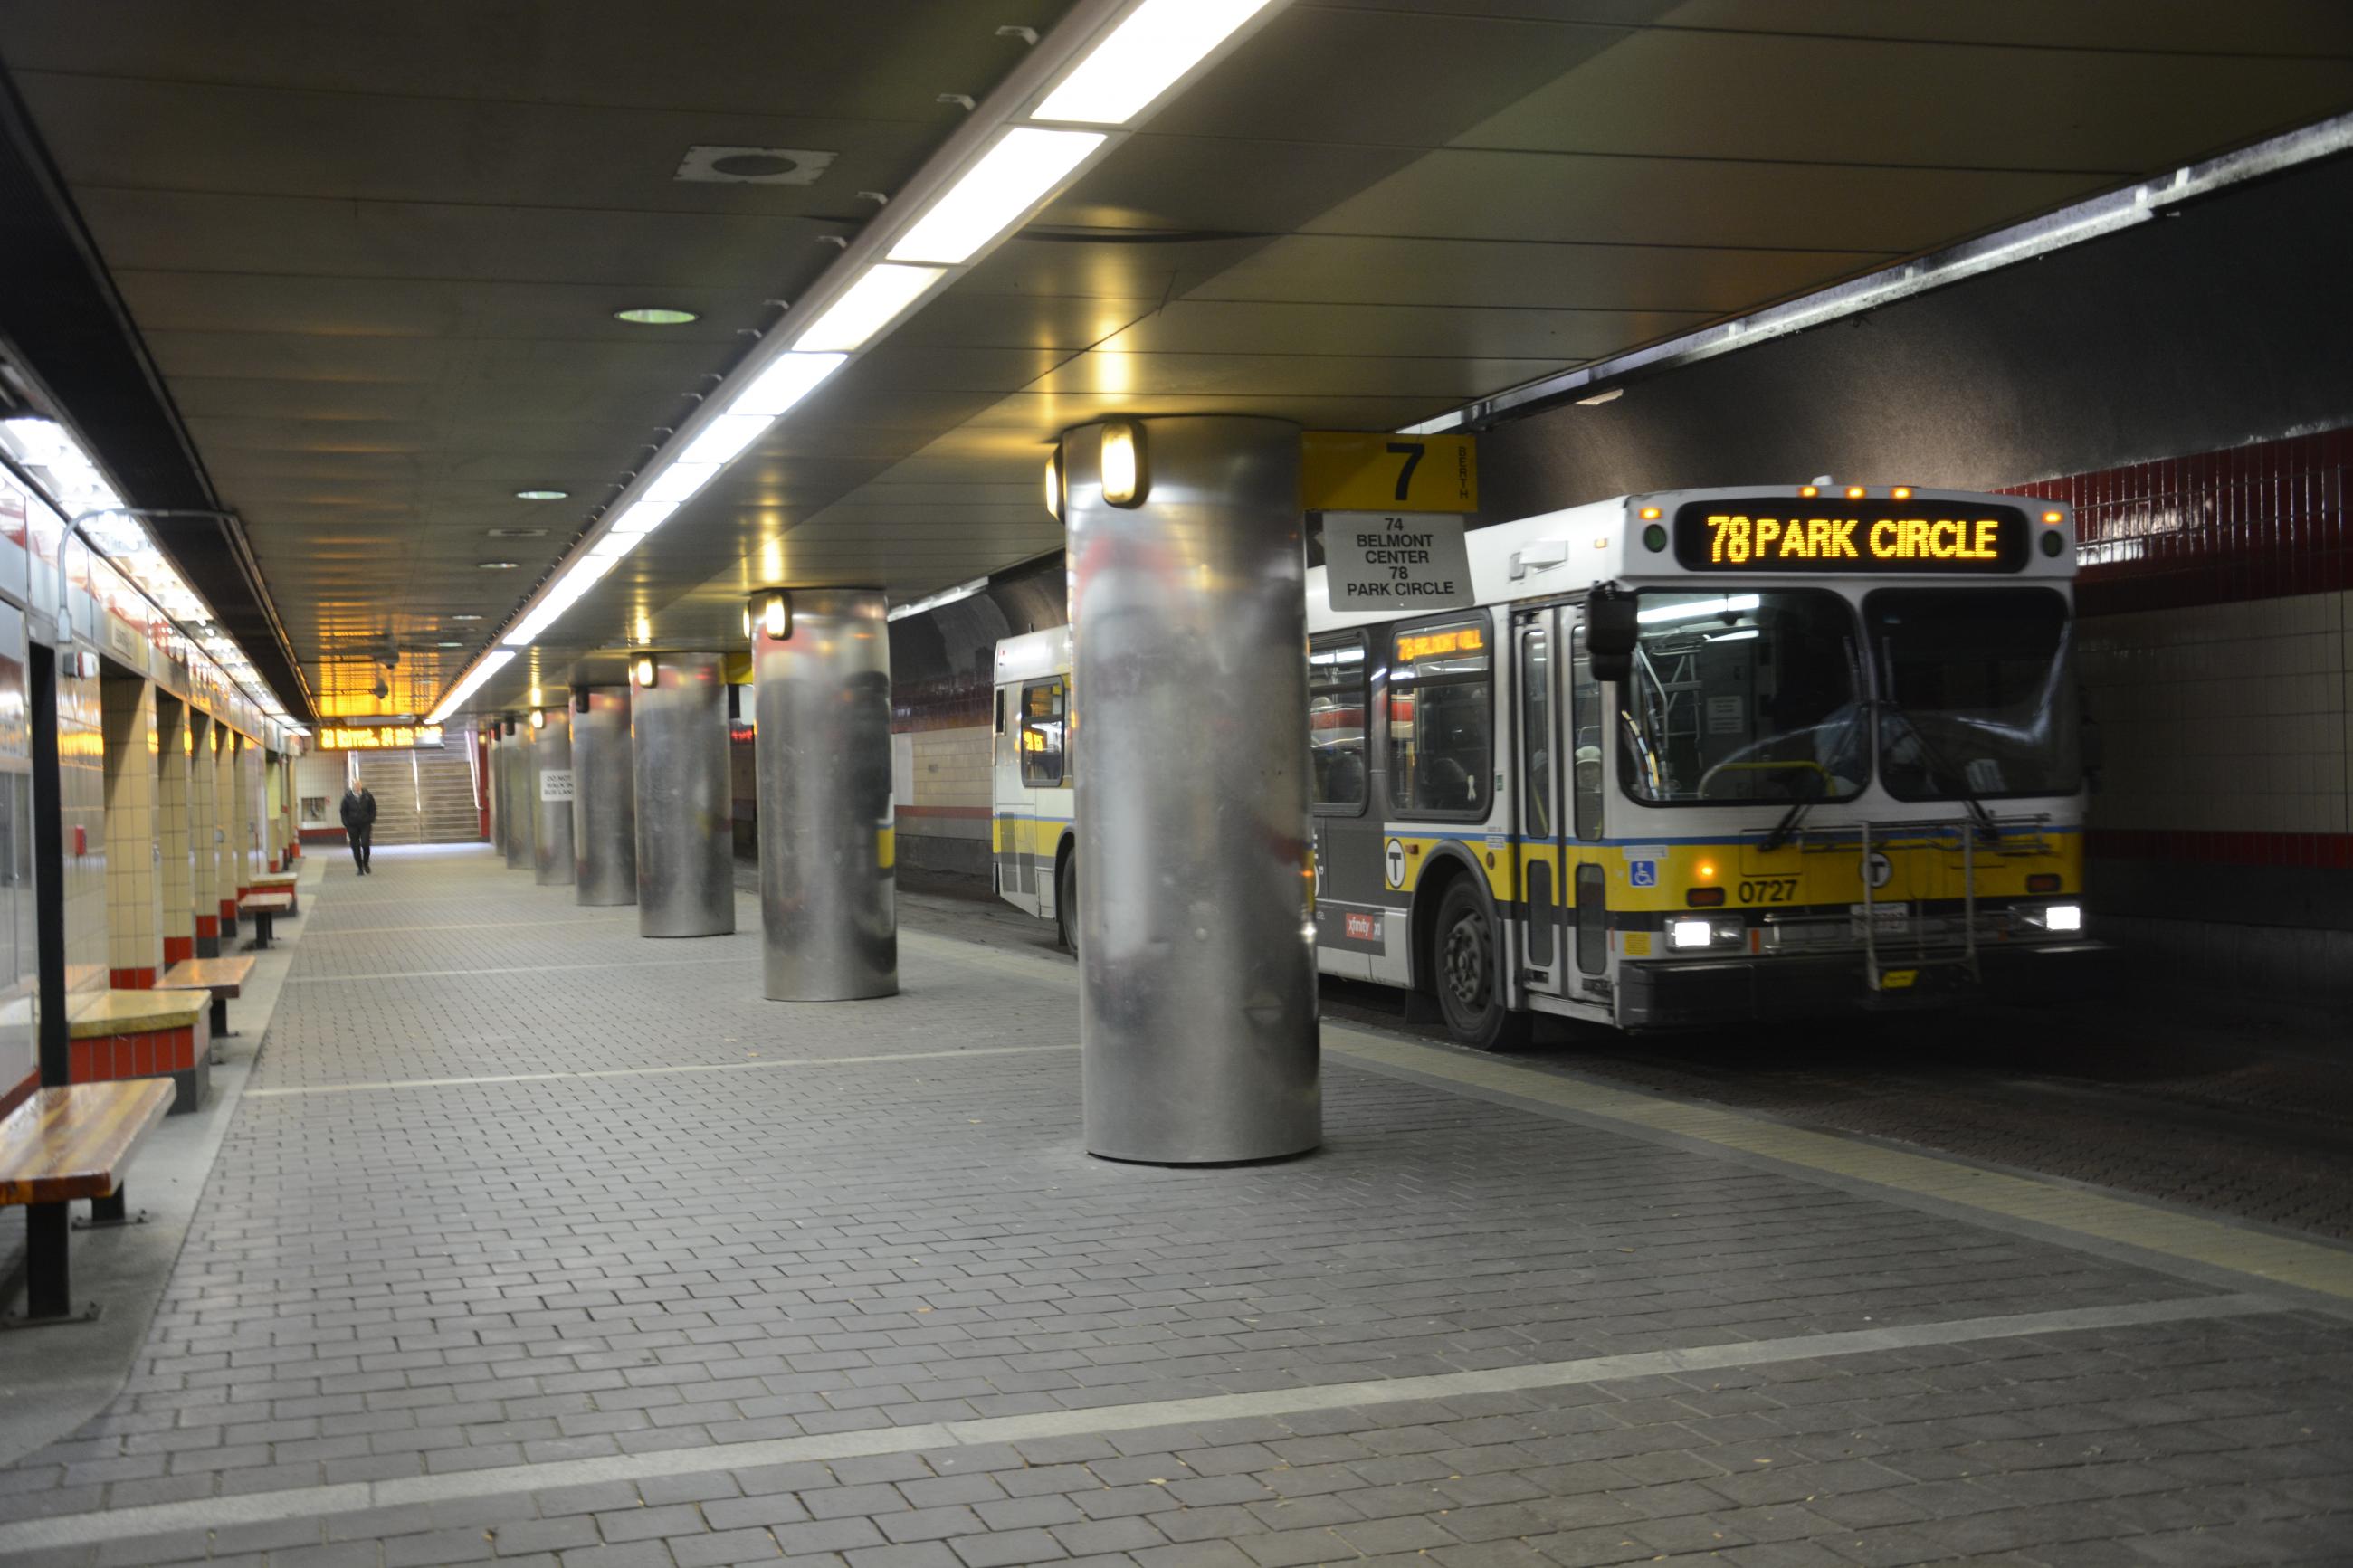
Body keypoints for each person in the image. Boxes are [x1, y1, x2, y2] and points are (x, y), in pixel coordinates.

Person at [339, 781, 377, 875]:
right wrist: (346, 823)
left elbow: (373, 808)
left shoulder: (367, 796)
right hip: (352, 826)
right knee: (355, 847)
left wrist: (371, 819)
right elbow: (343, 811)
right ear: (352, 786)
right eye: (355, 785)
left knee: (365, 844)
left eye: (358, 785)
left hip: (365, 824)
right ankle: (360, 868)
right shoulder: (347, 797)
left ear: (361, 785)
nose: (357, 786)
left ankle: (366, 863)